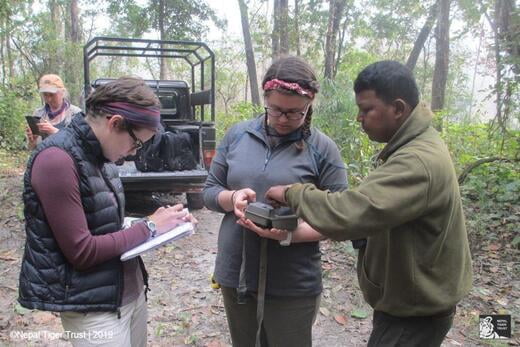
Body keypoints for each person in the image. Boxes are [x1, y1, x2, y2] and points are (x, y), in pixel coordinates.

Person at [265, 60, 473, 347]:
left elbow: (352, 212)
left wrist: (293, 193)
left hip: (414, 314)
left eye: (367, 110)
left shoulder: (417, 160)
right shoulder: (414, 145)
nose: (359, 118)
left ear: (398, 109)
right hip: (411, 302)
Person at [18, 77, 196, 346]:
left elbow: (104, 224)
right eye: (136, 143)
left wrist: (167, 223)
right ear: (114, 123)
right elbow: (82, 251)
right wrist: (148, 226)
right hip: (93, 309)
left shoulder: (100, 155)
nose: (133, 152)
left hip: (127, 293)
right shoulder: (56, 159)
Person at [203, 56, 348, 347]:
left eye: (295, 113)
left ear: (309, 105)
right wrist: (232, 198)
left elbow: (341, 216)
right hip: (237, 271)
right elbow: (209, 191)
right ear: (265, 98)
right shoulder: (237, 135)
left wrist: (289, 234)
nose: (283, 119)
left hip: (293, 282)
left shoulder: (322, 149)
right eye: (276, 109)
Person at [26, 74, 81, 150]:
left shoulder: (75, 114)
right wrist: (32, 141)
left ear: (62, 92)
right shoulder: (38, 114)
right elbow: (31, 149)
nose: (48, 99)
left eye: (52, 95)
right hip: (43, 160)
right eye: (45, 95)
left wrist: (55, 132)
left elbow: (80, 146)